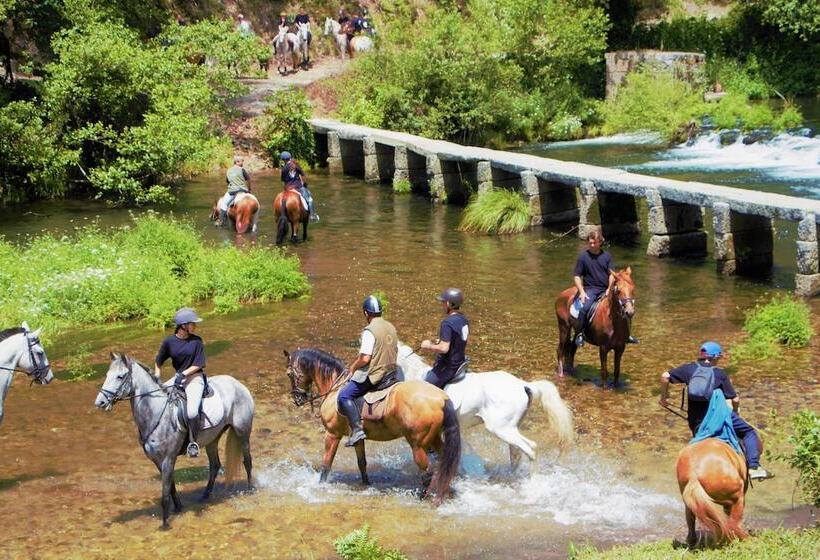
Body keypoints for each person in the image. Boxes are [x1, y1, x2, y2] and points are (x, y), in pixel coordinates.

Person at [659, 341, 773, 480]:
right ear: (715, 357)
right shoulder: (719, 373)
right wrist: (735, 412)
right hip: (717, 418)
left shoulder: (689, 369)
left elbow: (665, 376)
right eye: (719, 357)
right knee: (749, 432)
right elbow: (734, 399)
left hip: (696, 423)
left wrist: (664, 397)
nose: (719, 360)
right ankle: (754, 467)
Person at [337, 295, 398, 447]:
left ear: (366, 313)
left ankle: (357, 430)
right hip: (392, 372)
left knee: (344, 395)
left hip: (377, 375)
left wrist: (352, 367)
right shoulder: (390, 326)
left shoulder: (369, 331)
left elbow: (365, 358)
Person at [572, 228, 638, 347]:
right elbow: (577, 276)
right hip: (590, 289)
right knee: (584, 308)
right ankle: (579, 334)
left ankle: (626, 334)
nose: (592, 245)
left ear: (600, 242)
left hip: (605, 288)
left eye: (594, 242)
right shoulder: (583, 257)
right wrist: (581, 291)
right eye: (590, 242)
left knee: (624, 307)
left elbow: (612, 274)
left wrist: (609, 288)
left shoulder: (606, 256)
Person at [155, 308, 207, 458]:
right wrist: (157, 377)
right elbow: (158, 361)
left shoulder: (197, 341)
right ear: (183, 325)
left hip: (194, 378)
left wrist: (183, 374)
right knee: (158, 400)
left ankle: (193, 443)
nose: (195, 326)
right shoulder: (169, 342)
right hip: (178, 377)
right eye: (192, 323)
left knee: (191, 411)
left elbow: (199, 363)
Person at [420, 288, 469, 389]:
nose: (442, 305)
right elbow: (458, 339)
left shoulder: (447, 323)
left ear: (449, 304)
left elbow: (444, 348)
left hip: (448, 366)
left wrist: (428, 346)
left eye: (443, 302)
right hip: (460, 361)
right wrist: (440, 341)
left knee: (424, 389)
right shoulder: (464, 319)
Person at [279, 151, 318, 221]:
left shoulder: (283, 169)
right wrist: (305, 184)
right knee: (309, 199)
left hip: (288, 188)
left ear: (283, 160)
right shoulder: (295, 165)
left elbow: (283, 181)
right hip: (298, 187)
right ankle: (312, 215)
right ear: (289, 158)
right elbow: (303, 174)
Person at [219, 155, 252, 226]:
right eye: (241, 161)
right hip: (243, 190)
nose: (242, 163)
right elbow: (248, 180)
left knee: (223, 204)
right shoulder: (242, 169)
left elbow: (228, 182)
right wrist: (249, 190)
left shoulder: (228, 171)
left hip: (233, 191)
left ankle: (222, 222)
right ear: (236, 162)